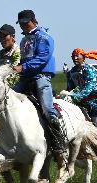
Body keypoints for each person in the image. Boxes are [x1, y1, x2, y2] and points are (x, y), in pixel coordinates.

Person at [11, 9, 66, 156]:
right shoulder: (24, 40)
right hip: (26, 77)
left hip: (41, 76)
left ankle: (58, 141)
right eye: (21, 24)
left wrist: (23, 67)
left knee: (47, 110)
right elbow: (24, 59)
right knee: (8, 98)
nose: (23, 26)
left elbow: (43, 58)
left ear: (33, 20)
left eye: (25, 23)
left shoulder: (44, 37)